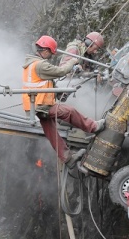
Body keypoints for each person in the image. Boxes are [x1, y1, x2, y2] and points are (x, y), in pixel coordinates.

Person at [23, 35, 106, 166]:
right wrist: (73, 62)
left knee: (51, 133)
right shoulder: (39, 65)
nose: (51, 56)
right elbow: (61, 71)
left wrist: (59, 93)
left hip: (34, 105)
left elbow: (45, 83)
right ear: (45, 51)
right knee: (70, 112)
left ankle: (68, 158)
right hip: (40, 105)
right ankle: (94, 127)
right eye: (51, 53)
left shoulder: (32, 64)